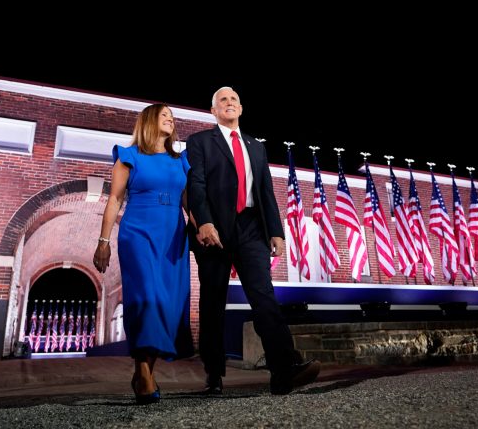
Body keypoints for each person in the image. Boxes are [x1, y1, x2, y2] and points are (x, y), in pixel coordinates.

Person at [186, 86, 320, 395]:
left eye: (234, 99)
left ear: (241, 108)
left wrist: (276, 230)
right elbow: (196, 184)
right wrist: (204, 222)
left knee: (264, 297)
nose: (229, 103)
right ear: (213, 111)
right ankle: (213, 373)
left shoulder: (256, 146)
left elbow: (265, 190)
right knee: (213, 302)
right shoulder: (199, 142)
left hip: (251, 229)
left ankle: (284, 370)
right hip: (214, 231)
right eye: (223, 100)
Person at [93, 103, 191, 405]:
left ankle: (143, 372)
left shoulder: (182, 161)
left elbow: (190, 203)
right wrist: (103, 240)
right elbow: (114, 200)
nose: (170, 119)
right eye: (164, 115)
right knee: (146, 297)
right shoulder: (129, 156)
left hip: (174, 235)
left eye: (172, 117)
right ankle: (145, 375)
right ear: (149, 121)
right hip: (138, 232)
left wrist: (203, 227)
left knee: (167, 303)